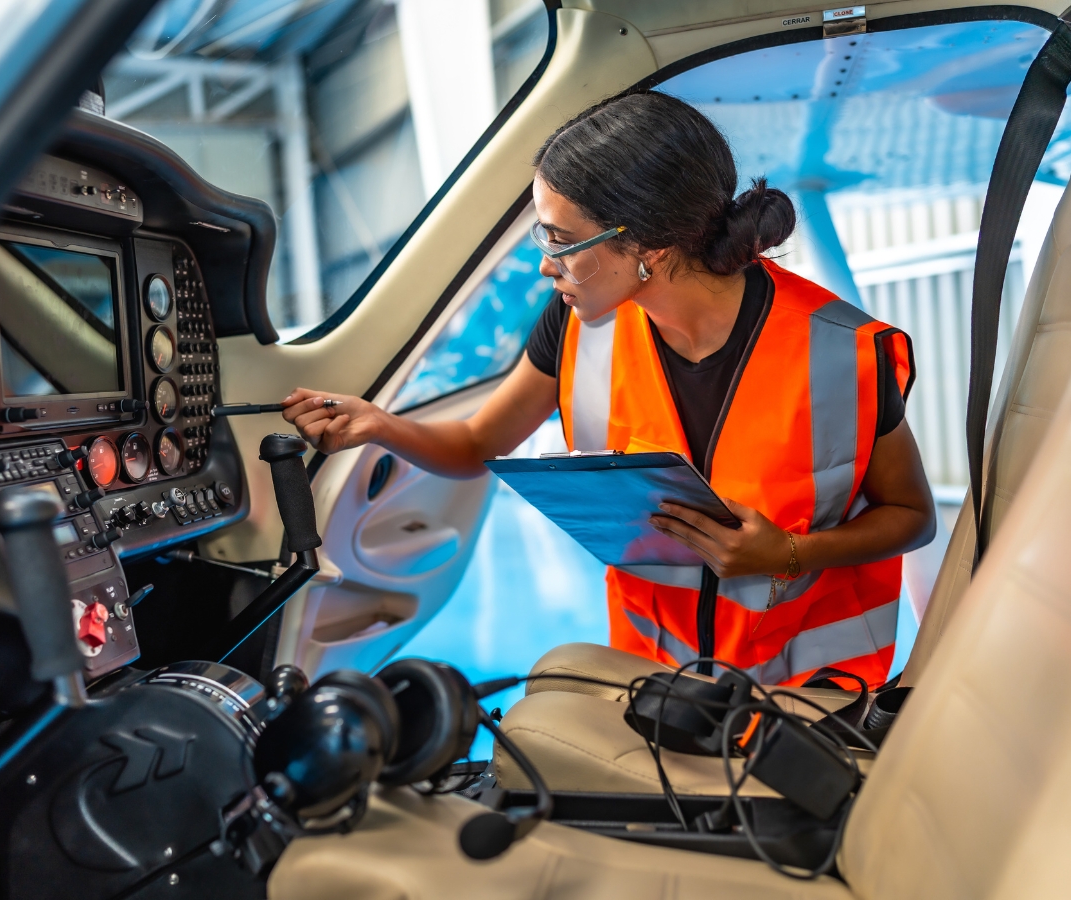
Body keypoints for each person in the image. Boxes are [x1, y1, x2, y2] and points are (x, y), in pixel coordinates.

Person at [282, 90, 935, 688]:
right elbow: (479, 442)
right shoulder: (576, 326)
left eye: (561, 241)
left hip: (811, 692)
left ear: (647, 247)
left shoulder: (841, 351)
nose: (546, 265)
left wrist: (790, 553)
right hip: (658, 684)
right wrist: (378, 425)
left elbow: (912, 516)